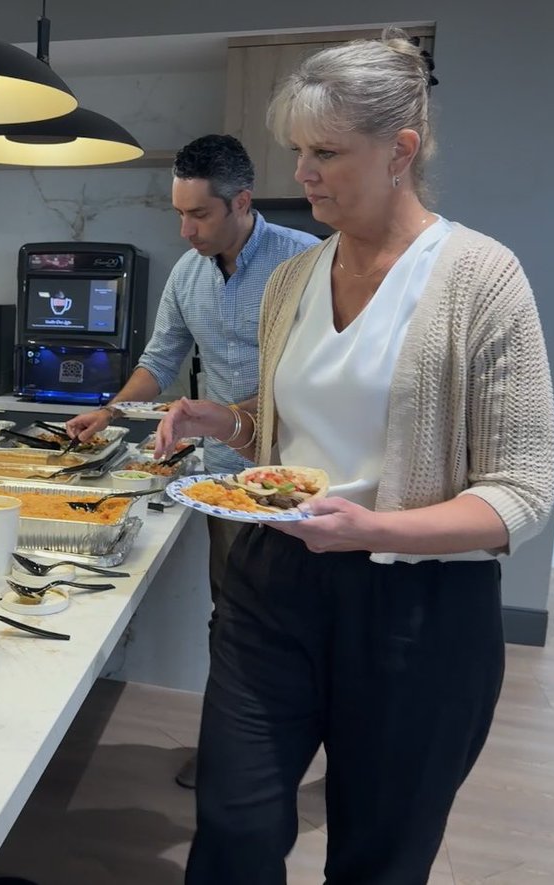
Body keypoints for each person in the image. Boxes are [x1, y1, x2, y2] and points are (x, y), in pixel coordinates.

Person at [153, 31, 554, 884]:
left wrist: (378, 525)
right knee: (233, 826)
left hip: (417, 608)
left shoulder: (480, 278)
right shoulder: (294, 282)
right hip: (276, 583)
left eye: (327, 152)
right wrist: (224, 420)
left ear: (400, 151)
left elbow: (521, 492)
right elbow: (288, 433)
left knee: (378, 854)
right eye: (299, 150)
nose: (302, 173)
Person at [65, 133, 319, 788]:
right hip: (220, 481)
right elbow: (159, 361)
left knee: (295, 622)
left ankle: (287, 758)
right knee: (230, 613)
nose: (185, 230)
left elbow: (318, 377)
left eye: (199, 215)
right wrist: (111, 410)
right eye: (178, 213)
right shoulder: (187, 274)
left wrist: (237, 413)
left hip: (294, 478)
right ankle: (235, 753)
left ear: (241, 202)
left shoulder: (308, 264)